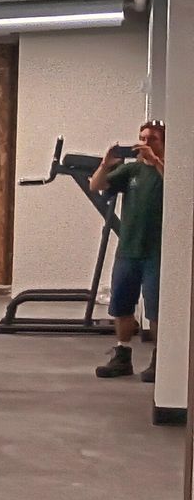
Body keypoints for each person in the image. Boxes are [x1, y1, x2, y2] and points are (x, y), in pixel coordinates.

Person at [90, 121, 165, 381]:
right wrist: (105, 164)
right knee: (121, 306)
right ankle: (122, 357)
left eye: (152, 138)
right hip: (128, 250)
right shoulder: (130, 170)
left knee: (156, 309)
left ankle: (161, 360)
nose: (145, 142)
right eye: (142, 137)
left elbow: (180, 188)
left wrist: (156, 160)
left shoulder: (167, 171)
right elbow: (96, 186)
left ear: (163, 143)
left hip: (157, 252)